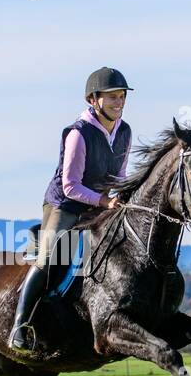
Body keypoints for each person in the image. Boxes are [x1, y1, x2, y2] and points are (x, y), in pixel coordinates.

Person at [8, 67, 133, 351]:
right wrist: (104, 201)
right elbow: (71, 186)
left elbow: (121, 176)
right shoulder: (79, 133)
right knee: (49, 257)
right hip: (64, 205)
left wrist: (122, 198)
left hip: (99, 204)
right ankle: (20, 324)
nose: (119, 101)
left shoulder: (124, 131)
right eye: (112, 96)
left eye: (122, 96)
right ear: (94, 100)